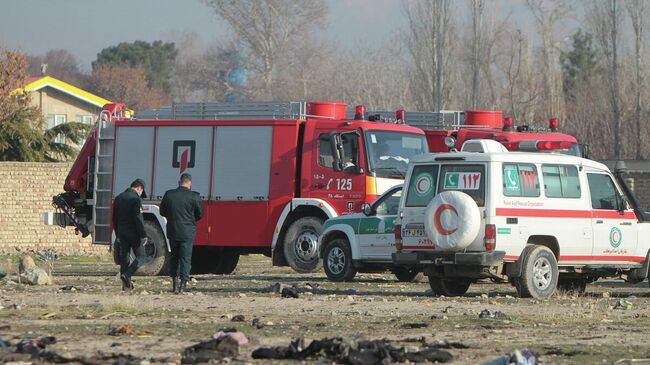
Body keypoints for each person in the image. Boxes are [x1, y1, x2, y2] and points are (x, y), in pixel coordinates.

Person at [160, 173, 204, 293]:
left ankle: (174, 283)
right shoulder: (194, 196)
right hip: (187, 232)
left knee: (174, 257)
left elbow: (162, 211)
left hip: (173, 230)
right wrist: (190, 220)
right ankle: (183, 285)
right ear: (190, 183)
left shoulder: (169, 194)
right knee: (185, 258)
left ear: (179, 182)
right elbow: (200, 214)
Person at [112, 178, 147, 291]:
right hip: (133, 233)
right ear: (139, 188)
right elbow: (138, 218)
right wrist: (143, 234)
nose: (141, 194)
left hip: (122, 232)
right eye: (141, 191)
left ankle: (126, 286)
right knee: (142, 257)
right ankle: (127, 275)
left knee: (125, 258)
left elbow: (114, 219)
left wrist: (117, 233)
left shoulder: (118, 198)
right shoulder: (136, 199)